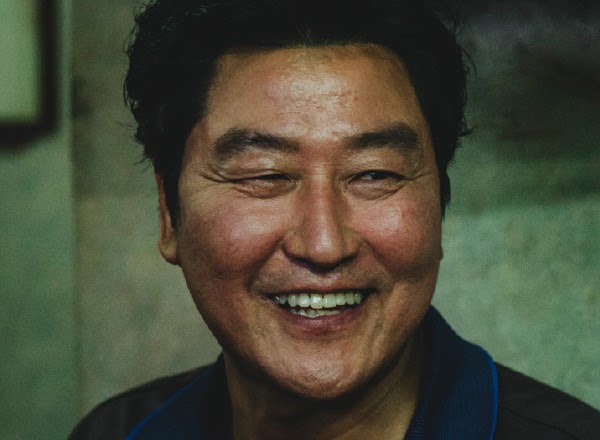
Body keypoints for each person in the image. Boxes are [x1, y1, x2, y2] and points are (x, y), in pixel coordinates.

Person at [70, 0, 600, 438]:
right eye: (265, 175)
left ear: (439, 199)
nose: (324, 244)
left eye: (374, 174)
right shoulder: (116, 432)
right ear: (169, 214)